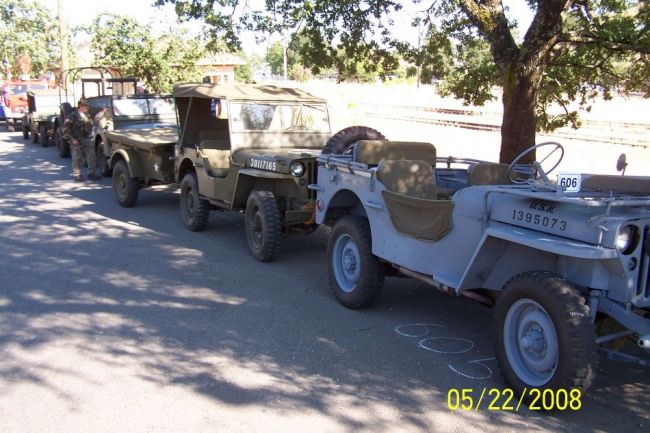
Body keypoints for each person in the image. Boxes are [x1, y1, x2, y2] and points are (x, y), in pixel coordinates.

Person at [63, 98, 100, 182]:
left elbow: (90, 125)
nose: (87, 108)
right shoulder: (72, 116)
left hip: (86, 138)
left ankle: (92, 172)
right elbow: (65, 131)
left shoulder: (86, 115)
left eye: (87, 106)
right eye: (86, 106)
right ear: (80, 106)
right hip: (76, 139)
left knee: (91, 156)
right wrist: (72, 140)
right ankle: (77, 175)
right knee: (77, 158)